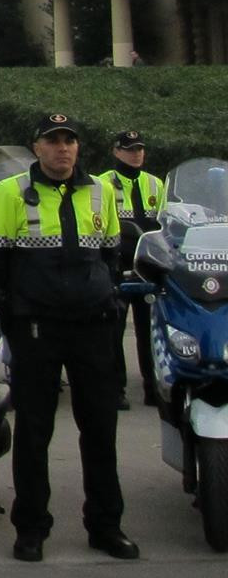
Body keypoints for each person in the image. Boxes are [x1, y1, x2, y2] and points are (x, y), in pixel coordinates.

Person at [0, 113, 134, 562]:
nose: (62, 148)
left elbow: (111, 255)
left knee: (101, 431)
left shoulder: (101, 191)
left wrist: (106, 299)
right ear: (37, 147)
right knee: (34, 432)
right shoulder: (8, 194)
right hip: (36, 329)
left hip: (93, 327)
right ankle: (31, 528)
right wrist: (20, 308)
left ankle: (106, 525)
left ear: (78, 148)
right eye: (53, 141)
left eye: (69, 141)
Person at [101, 128, 164, 409]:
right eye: (129, 149)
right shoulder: (101, 184)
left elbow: (165, 226)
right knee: (114, 331)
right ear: (117, 152)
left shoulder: (156, 184)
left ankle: (154, 388)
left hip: (149, 267)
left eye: (139, 149)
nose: (136, 154)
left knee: (150, 330)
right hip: (116, 266)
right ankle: (115, 389)